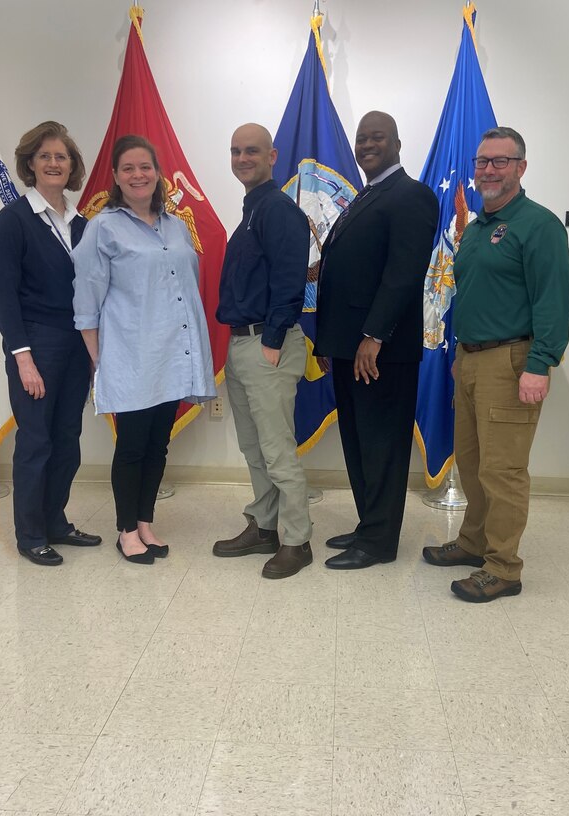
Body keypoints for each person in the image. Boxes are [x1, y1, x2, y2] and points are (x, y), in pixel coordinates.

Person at [422, 126, 569, 602]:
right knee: (471, 462)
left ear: (521, 168)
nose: (488, 170)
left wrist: (540, 363)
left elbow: (552, 300)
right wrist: (462, 355)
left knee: (503, 470)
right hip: (470, 359)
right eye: (482, 161)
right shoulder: (477, 228)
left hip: (513, 361)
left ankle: (504, 567)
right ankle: (474, 543)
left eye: (500, 161)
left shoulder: (538, 225)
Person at [72, 135, 216, 565]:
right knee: (132, 445)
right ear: (116, 177)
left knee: (158, 445)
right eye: (129, 168)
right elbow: (86, 300)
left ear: (157, 173)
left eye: (145, 167)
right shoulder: (103, 226)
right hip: (131, 356)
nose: (138, 175)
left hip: (173, 355)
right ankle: (125, 530)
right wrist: (101, 358)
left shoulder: (174, 226)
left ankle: (146, 522)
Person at [314, 111, 439, 570]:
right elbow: (345, 273)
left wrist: (373, 335)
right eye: (362, 138)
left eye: (377, 137)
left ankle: (380, 542)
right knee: (359, 442)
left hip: (381, 352)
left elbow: (403, 274)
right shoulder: (366, 196)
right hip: (349, 350)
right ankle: (369, 524)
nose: (367, 144)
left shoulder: (411, 195)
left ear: (397, 143)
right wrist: (330, 343)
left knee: (382, 446)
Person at [0, 121, 102, 567]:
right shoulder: (14, 220)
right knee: (36, 440)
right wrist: (24, 359)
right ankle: (30, 534)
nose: (54, 163)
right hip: (35, 343)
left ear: (72, 166)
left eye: (62, 157)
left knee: (68, 438)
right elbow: (2, 294)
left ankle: (56, 521)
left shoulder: (84, 225)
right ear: (30, 165)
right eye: (45, 156)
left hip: (77, 344)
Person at [212, 123, 313, 579]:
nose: (242, 158)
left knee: (277, 450)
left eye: (251, 150)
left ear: (272, 156)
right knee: (254, 447)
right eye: (235, 151)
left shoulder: (277, 210)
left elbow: (292, 281)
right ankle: (266, 526)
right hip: (242, 343)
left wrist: (271, 341)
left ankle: (297, 540)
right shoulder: (252, 210)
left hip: (266, 345)